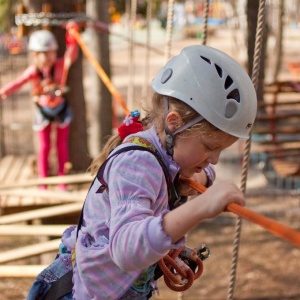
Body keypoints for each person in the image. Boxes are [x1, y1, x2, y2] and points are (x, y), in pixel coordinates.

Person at [28, 44, 257, 299]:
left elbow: (195, 172)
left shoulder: (163, 152)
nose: (214, 160)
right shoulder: (138, 164)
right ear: (174, 124)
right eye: (210, 147)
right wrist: (201, 207)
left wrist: (198, 179)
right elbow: (126, 250)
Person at [0, 23, 79, 190]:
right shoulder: (34, 71)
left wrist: (72, 35)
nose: (48, 57)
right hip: (43, 111)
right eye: (44, 53)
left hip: (61, 109)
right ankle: (43, 180)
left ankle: (61, 179)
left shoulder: (60, 67)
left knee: (61, 145)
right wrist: (4, 91)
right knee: (44, 146)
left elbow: (71, 55)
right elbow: (18, 82)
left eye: (51, 52)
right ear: (35, 55)